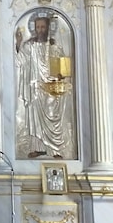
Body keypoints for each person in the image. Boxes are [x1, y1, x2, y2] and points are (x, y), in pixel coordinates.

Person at [15, 16, 72, 159]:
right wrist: (18, 43)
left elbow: (64, 69)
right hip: (35, 88)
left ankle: (54, 150)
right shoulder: (29, 46)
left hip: (51, 88)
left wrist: (60, 75)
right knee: (34, 119)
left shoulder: (54, 47)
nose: (40, 30)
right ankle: (37, 148)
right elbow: (19, 61)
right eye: (38, 27)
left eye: (43, 27)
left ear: (48, 28)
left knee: (52, 116)